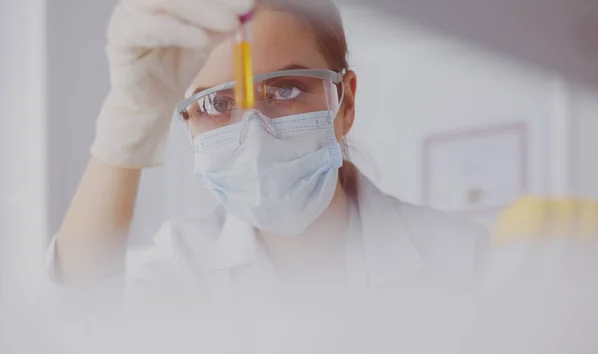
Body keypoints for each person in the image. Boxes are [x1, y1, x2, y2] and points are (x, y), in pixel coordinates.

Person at [46, 0, 490, 303]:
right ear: (188, 126)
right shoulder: (182, 267)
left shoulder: (459, 259)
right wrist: (130, 117)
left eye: (286, 88)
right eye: (217, 104)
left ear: (345, 103)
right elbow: (78, 322)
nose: (254, 135)